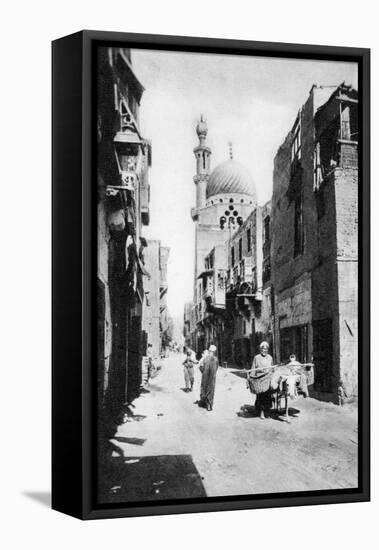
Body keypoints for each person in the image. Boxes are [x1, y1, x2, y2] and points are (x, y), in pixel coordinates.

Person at [248, 341, 273, 420]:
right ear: (260, 349)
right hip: (259, 379)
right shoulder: (257, 357)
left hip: (268, 379)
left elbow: (272, 368)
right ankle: (261, 412)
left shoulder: (270, 357)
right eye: (263, 349)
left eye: (266, 349)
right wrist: (251, 378)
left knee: (268, 396)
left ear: (267, 350)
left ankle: (267, 412)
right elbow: (253, 368)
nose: (264, 351)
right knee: (260, 396)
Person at [199, 345, 219, 411]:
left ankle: (203, 402)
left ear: (209, 351)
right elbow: (216, 368)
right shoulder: (216, 359)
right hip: (212, 377)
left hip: (205, 376)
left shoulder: (205, 358)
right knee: (211, 389)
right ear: (214, 351)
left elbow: (201, 367)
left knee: (204, 388)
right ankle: (209, 405)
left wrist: (203, 373)